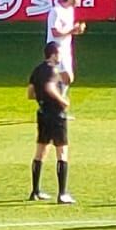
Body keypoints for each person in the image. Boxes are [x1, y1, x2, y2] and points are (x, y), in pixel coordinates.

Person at [28, 40, 73, 204]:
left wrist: (43, 99)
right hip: (56, 115)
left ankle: (35, 191)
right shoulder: (52, 70)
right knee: (62, 152)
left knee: (40, 151)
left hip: (42, 113)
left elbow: (30, 93)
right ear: (53, 54)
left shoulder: (37, 70)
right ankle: (62, 193)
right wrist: (62, 100)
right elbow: (49, 87)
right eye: (60, 53)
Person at [44, 0, 84, 84]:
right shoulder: (56, 11)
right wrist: (72, 30)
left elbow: (67, 30)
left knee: (68, 78)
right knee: (65, 77)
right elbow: (55, 32)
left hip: (66, 48)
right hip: (56, 49)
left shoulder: (70, 10)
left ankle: (56, 95)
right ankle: (53, 95)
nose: (79, 1)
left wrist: (77, 30)